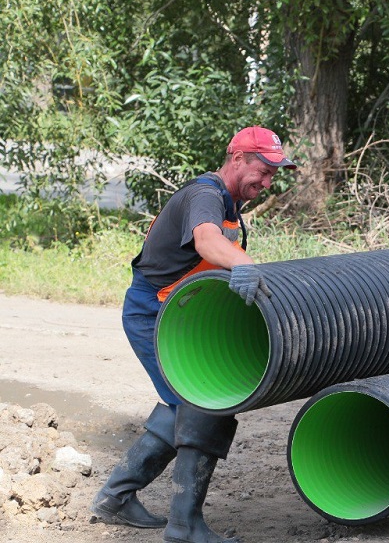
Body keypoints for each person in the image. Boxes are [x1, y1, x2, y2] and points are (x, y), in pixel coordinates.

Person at [90, 126, 296, 543]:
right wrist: (243, 264)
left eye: (274, 175)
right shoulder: (205, 194)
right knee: (203, 402)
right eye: (263, 171)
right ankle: (184, 526)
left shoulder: (231, 204)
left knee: (184, 402)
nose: (267, 182)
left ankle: (115, 498)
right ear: (238, 158)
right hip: (154, 313)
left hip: (183, 315)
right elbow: (205, 240)